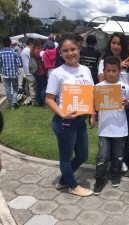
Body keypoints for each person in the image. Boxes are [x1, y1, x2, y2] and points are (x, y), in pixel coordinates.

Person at [45, 35, 94, 197]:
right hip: (64, 122)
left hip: (81, 120)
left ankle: (65, 179)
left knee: (83, 155)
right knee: (65, 157)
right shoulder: (57, 73)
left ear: (79, 49)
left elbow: (91, 94)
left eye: (73, 49)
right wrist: (62, 114)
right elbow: (49, 99)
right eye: (65, 51)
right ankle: (73, 185)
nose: (70, 53)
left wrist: (92, 114)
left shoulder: (85, 70)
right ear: (60, 53)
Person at [93, 56, 129, 194]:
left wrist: (127, 104)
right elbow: (93, 104)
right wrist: (92, 115)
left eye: (114, 70)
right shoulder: (98, 87)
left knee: (118, 155)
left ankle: (115, 174)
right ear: (104, 70)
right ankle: (99, 179)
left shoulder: (125, 86)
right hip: (104, 129)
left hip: (120, 128)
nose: (111, 73)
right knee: (102, 156)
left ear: (119, 71)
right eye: (108, 70)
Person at [98, 32, 129, 173]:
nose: (116, 46)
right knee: (108, 133)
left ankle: (121, 160)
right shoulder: (103, 60)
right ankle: (107, 160)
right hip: (108, 102)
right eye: (113, 42)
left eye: (119, 43)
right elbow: (101, 80)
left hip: (126, 102)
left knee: (125, 133)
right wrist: (119, 66)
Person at [0, 37, 23, 109]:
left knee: (8, 90)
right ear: (10, 43)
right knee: (15, 88)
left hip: (5, 74)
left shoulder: (0, 53)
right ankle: (14, 101)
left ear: (3, 44)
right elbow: (19, 64)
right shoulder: (14, 53)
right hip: (14, 74)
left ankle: (11, 105)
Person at [21, 37, 38, 106]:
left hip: (26, 71)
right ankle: (33, 101)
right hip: (30, 71)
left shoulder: (23, 50)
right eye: (33, 45)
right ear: (30, 44)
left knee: (28, 86)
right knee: (32, 87)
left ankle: (28, 98)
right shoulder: (28, 50)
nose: (34, 46)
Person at [31, 39, 47, 106]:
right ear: (40, 44)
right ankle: (42, 102)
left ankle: (38, 100)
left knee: (38, 86)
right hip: (41, 70)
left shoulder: (32, 51)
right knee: (44, 86)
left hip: (35, 71)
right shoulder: (40, 51)